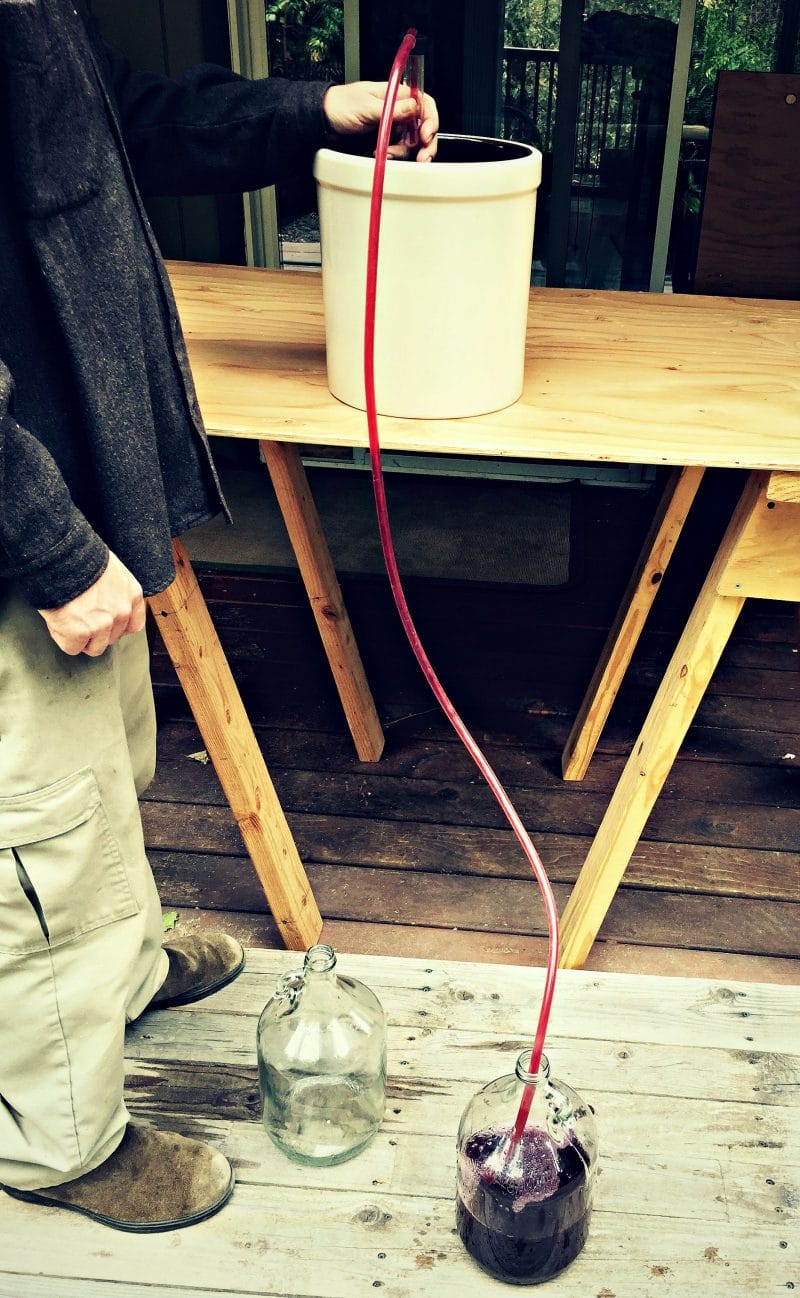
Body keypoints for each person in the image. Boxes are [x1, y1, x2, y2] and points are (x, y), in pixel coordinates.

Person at [0, 0, 438, 1232]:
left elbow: (113, 122)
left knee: (106, 774)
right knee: (38, 844)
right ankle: (61, 1141)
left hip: (74, 490)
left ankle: (124, 969)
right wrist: (39, 537)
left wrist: (312, 114)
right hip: (22, 523)